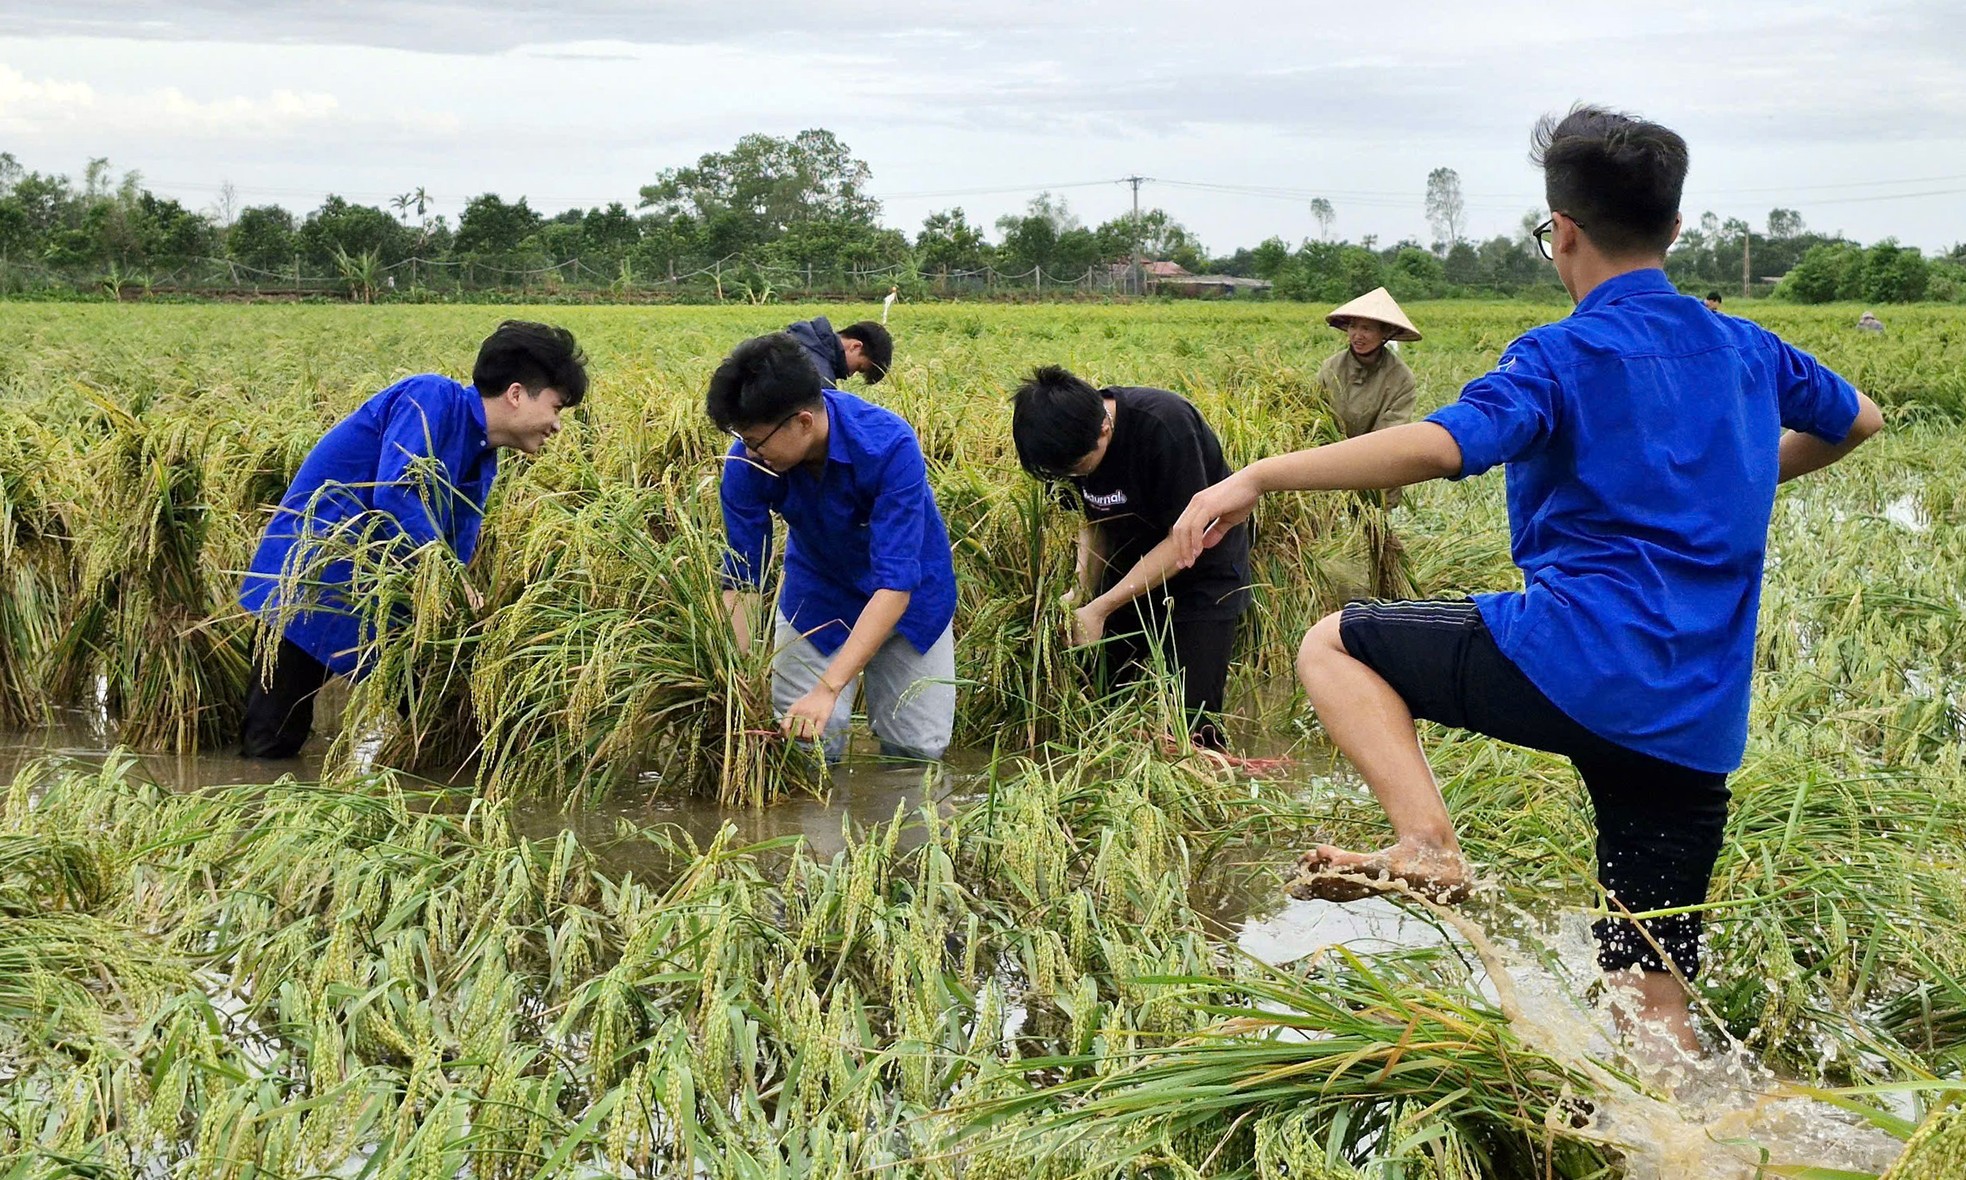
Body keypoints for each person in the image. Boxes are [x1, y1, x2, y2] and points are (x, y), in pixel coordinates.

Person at [1169, 104, 1883, 1057]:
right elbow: (1861, 419)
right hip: (1695, 719)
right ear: (1675, 230)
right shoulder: (1747, 346)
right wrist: (1740, 483)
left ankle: (1426, 844)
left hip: (1575, 662)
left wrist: (1256, 474)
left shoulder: (1560, 353)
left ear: (1563, 234)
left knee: (1333, 642)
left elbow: (1441, 446)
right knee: (1653, 995)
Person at [238, 321, 589, 759]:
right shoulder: (430, 398)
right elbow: (396, 494)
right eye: (556, 408)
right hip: (311, 585)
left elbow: (453, 550)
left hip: (376, 603)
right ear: (516, 394)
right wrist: (450, 583)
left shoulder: (483, 460)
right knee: (270, 744)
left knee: (444, 718)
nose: (556, 426)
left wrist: (462, 609)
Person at [713, 332, 956, 762]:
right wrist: (740, 673)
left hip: (911, 598)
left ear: (803, 422)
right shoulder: (747, 461)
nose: (750, 452)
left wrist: (829, 688)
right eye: (744, 439)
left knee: (915, 753)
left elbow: (895, 585)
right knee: (803, 745)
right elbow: (744, 575)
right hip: (820, 593)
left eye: (757, 441)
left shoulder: (889, 446)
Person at [1011, 366, 1250, 749]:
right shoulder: (1066, 442)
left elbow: (1184, 542)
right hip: (1128, 570)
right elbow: (1092, 522)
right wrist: (1081, 592)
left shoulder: (1164, 426)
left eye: (1077, 468)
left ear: (1105, 428)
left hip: (1202, 568)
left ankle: (1203, 788)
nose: (1072, 475)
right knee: (1099, 702)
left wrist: (1102, 607)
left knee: (1194, 727)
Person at [1316, 286, 1421, 443]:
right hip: (1327, 449)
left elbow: (1391, 431)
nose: (1357, 335)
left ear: (1385, 333)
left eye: (1366, 328)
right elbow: (1314, 412)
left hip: (1374, 455)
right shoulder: (1331, 367)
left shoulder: (1401, 378)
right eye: (1353, 326)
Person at [785, 315, 894, 387]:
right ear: (855, 346)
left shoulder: (795, 337)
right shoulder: (821, 381)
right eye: (858, 368)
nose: (850, 374)